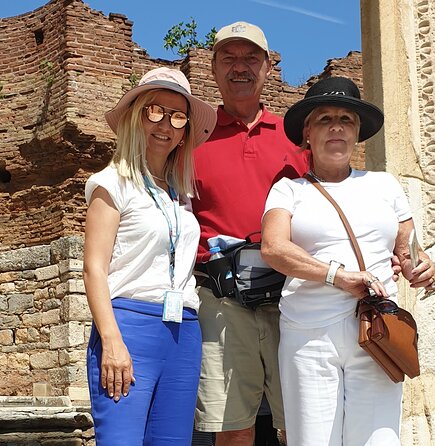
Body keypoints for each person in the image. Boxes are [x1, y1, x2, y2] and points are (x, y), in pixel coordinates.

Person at [260, 76, 435, 446]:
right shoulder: (288, 189)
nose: (337, 126)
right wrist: (336, 276)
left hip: (376, 329)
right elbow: (273, 248)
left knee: (378, 440)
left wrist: (422, 268)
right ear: (307, 132)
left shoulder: (385, 185)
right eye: (325, 119)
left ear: (357, 131)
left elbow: (409, 252)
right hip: (309, 335)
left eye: (346, 118)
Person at [83, 67, 217, 445]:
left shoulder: (181, 194)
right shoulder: (111, 184)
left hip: (184, 330)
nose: (166, 125)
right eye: (154, 111)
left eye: (178, 117)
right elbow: (94, 268)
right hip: (130, 326)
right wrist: (111, 340)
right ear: (135, 115)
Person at [190, 21, 309, 446]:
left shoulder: (297, 137)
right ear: (213, 68)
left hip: (291, 296)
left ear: (268, 66)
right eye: (229, 58)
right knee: (232, 424)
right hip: (223, 300)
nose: (240, 68)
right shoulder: (192, 138)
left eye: (251, 58)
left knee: (297, 420)